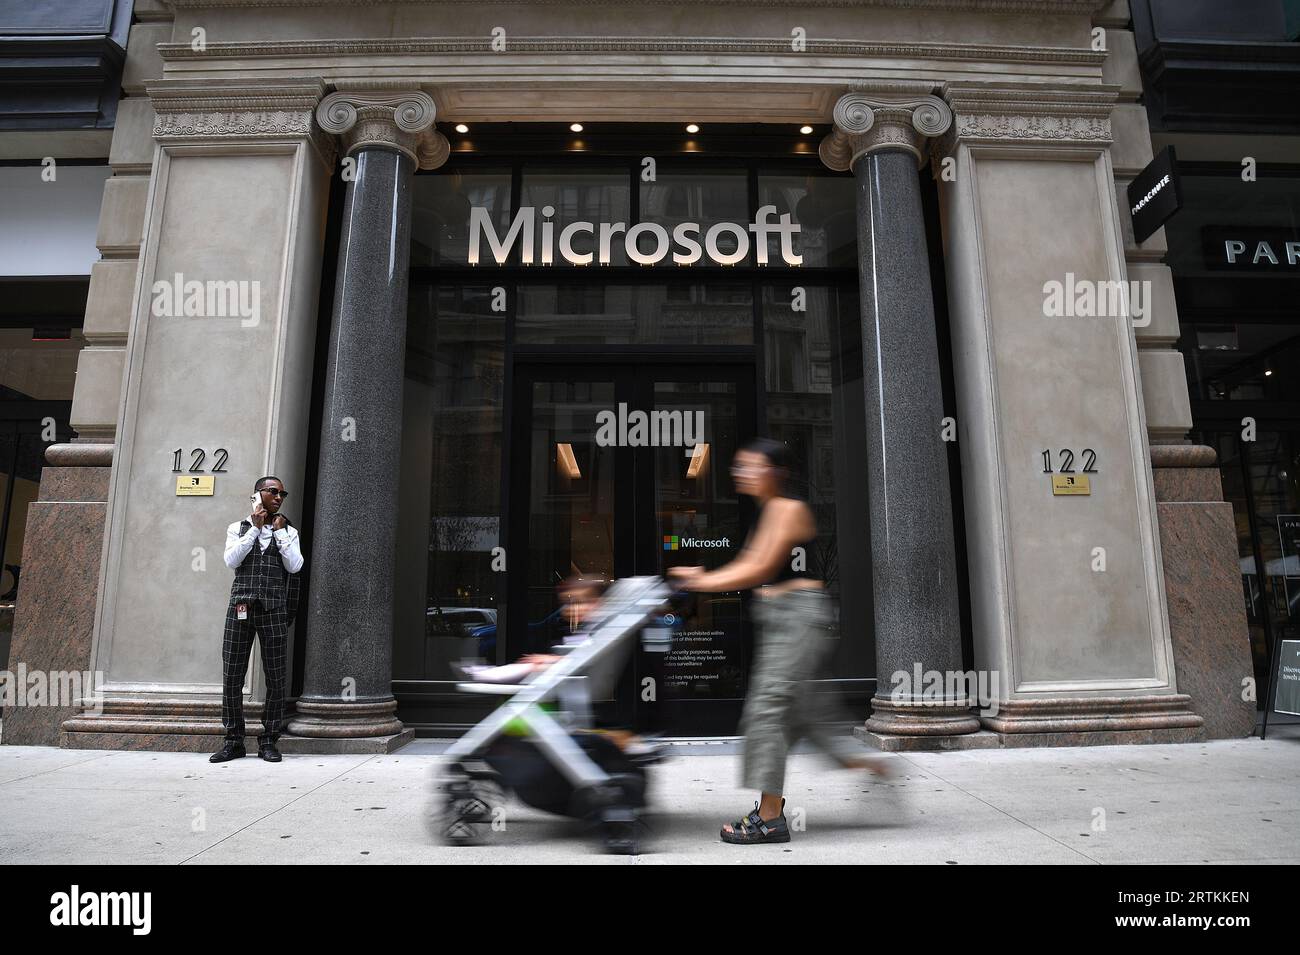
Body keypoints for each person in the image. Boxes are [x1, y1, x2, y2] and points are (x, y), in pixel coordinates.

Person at [668, 437, 892, 844]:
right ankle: (873, 767)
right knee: (807, 720)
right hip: (782, 622)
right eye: (740, 466)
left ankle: (770, 818)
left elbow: (759, 567)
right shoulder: (769, 511)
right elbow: (750, 565)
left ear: (776, 472)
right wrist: (706, 579)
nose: (741, 473)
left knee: (768, 709)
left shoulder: (789, 510)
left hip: (797, 622)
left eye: (751, 465)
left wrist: (701, 580)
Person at [210, 476, 304, 764]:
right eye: (273, 492)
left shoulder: (288, 532)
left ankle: (268, 741)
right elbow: (231, 560)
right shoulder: (238, 528)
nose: (279, 497)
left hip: (273, 611)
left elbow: (295, 565)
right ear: (257, 495)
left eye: (282, 494)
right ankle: (233, 741)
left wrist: (278, 533)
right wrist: (254, 529)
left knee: (276, 679)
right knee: (232, 678)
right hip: (240, 609)